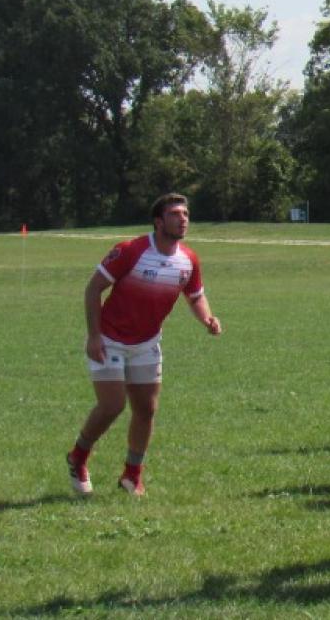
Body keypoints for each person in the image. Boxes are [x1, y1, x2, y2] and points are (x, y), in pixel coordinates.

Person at [65, 193, 221, 497]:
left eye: (186, 213)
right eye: (175, 214)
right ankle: (78, 456)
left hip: (147, 342)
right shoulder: (131, 250)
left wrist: (207, 319)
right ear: (159, 221)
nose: (183, 219)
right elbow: (93, 288)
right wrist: (95, 335)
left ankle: (132, 475)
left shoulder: (188, 259)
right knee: (112, 405)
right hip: (109, 339)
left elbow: (195, 295)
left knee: (146, 409)